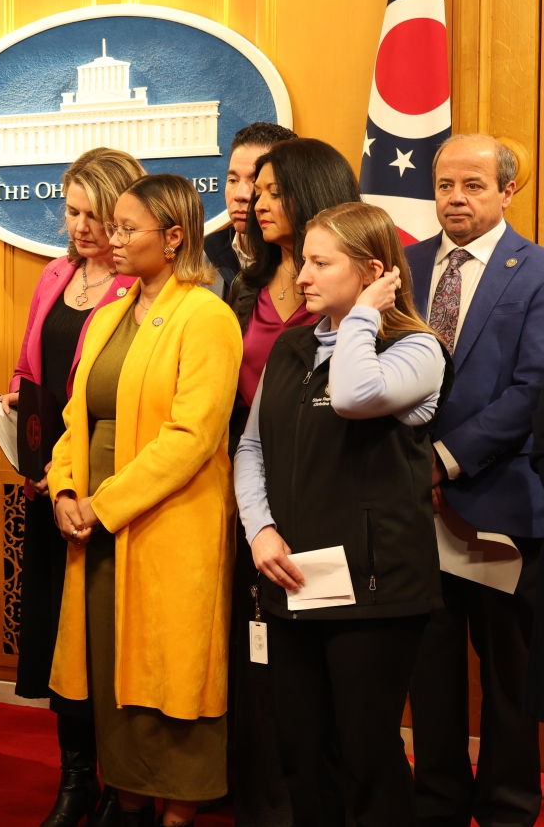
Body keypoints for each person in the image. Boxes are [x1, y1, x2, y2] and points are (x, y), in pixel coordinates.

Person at [235, 201, 450, 827]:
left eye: (320, 263)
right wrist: (261, 530)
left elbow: (358, 395)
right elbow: (252, 447)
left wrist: (362, 317)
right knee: (303, 752)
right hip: (292, 582)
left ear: (373, 271)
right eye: (304, 260)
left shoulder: (418, 348)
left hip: (378, 595)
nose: (301, 276)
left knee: (367, 757)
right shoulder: (291, 348)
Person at [48, 174, 241, 827]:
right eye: (113, 225)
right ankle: (127, 801)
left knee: (170, 674)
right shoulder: (108, 314)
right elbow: (76, 419)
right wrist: (67, 488)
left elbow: (192, 437)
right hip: (95, 522)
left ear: (176, 236)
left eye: (129, 228)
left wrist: (102, 505)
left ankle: (179, 810)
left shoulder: (206, 314)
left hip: (167, 521)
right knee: (111, 672)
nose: (112, 237)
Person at [0, 146, 142, 827]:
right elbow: (35, 365)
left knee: (105, 640)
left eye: (97, 214)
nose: (82, 227)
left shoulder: (138, 284)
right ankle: (76, 778)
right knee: (59, 636)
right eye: (73, 210)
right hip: (47, 482)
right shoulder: (55, 274)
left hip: (104, 483)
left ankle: (123, 783)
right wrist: (16, 407)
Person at [406, 133, 544, 827]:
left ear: (507, 191)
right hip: (410, 511)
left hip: (499, 506)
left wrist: (445, 458)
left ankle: (509, 807)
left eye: (473, 185)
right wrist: (409, 464)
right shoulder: (402, 265)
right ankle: (437, 800)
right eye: (444, 185)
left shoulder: (538, 271)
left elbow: (532, 389)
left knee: (508, 677)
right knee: (429, 671)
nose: (455, 198)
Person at [224, 137, 360, 827]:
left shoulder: (346, 290)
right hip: (253, 493)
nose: (257, 200)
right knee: (264, 673)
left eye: (273, 189)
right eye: (255, 188)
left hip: (325, 496)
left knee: (328, 690)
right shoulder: (246, 283)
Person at [204, 122, 297, 288]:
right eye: (233, 180)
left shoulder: (309, 263)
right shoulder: (203, 257)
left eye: (256, 182)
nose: (241, 195)